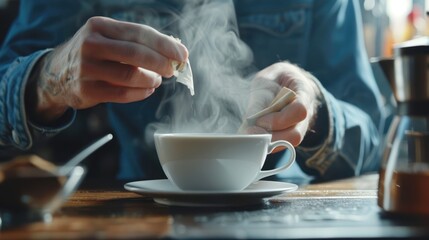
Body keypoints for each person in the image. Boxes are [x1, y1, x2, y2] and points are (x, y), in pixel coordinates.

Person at [0, 0, 386, 181]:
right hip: (136, 215)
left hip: (287, 214)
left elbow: (373, 137)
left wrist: (313, 108)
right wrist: (49, 79)